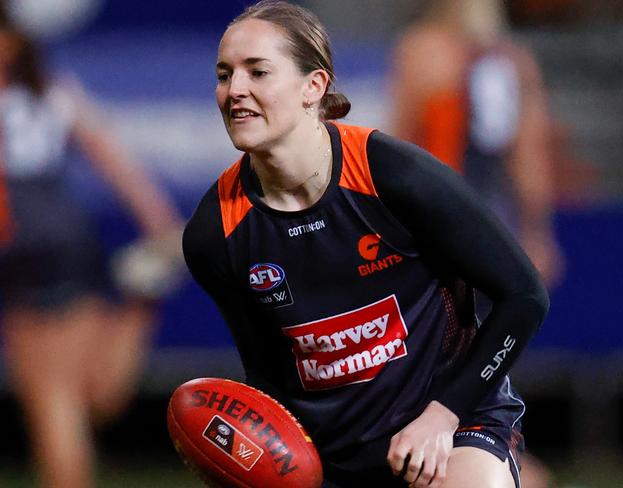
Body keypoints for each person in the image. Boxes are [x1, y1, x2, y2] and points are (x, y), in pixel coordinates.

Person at [183, 1, 549, 487]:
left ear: (313, 86)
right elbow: (269, 379)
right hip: (332, 459)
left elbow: (524, 296)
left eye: (258, 72)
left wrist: (442, 416)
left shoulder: (392, 176)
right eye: (225, 74)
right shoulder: (216, 233)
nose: (236, 90)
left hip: (450, 424)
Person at [0, 9, 183, 488]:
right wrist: (161, 224)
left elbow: (109, 156)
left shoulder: (42, 92)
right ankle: (142, 302)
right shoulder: (52, 91)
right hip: (68, 240)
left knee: (50, 396)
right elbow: (114, 157)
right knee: (93, 396)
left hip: (26, 249)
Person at [389, 0, 564, 291]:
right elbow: (529, 157)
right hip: (488, 216)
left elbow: (397, 145)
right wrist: (537, 232)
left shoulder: (421, 51)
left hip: (440, 214)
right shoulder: (513, 59)